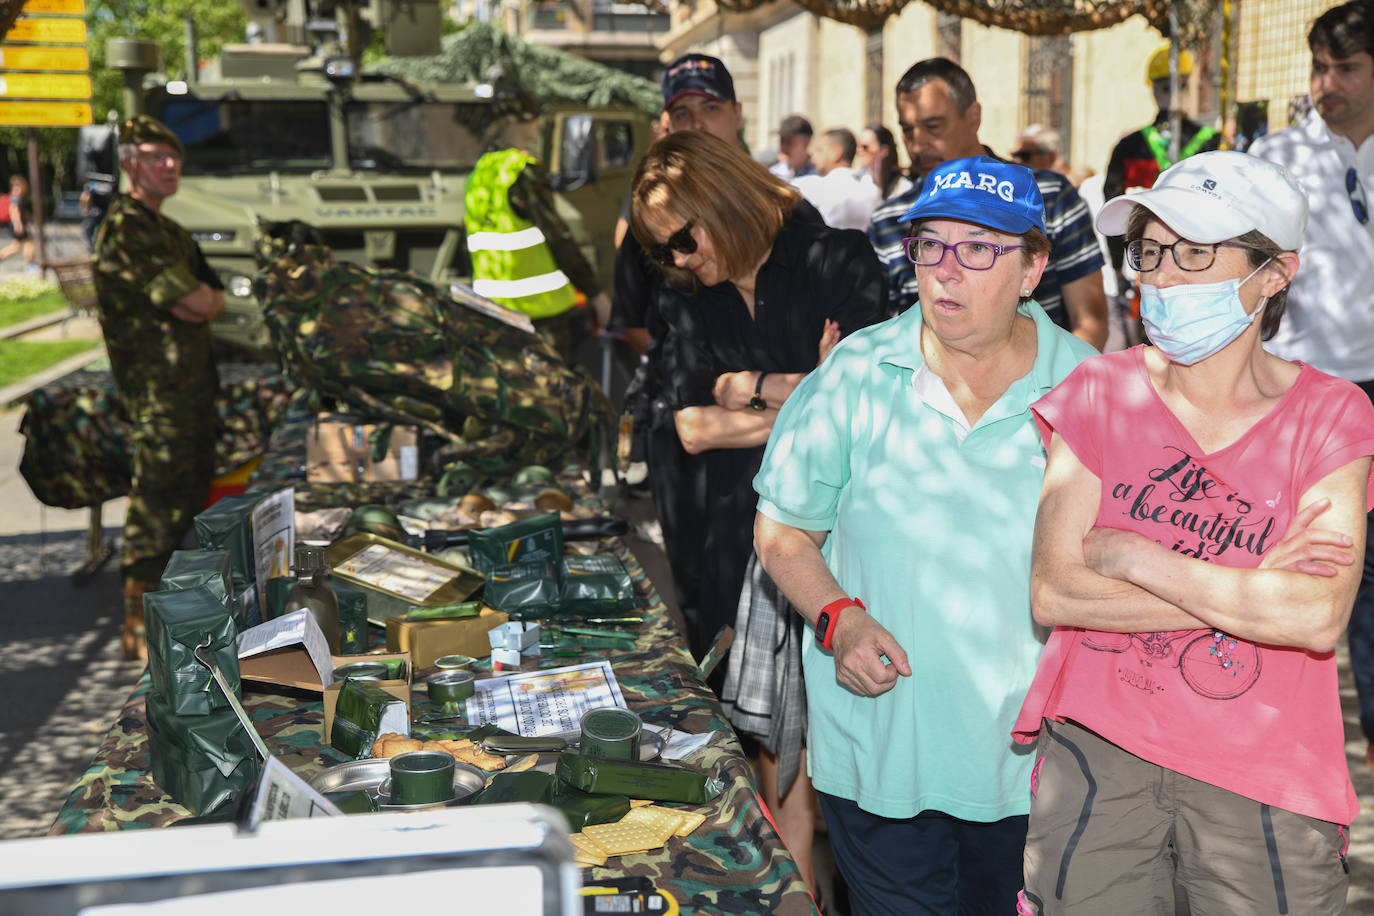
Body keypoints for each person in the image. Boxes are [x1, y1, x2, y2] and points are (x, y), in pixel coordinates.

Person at [1013, 150, 1374, 913]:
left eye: (1196, 252)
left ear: (1275, 272)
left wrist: (1135, 556)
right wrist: (1254, 588)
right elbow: (1053, 590)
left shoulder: (1335, 414)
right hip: (1099, 754)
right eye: (1149, 251)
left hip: (1267, 771)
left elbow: (1315, 616)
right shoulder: (1099, 390)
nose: (1162, 276)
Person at [753, 155, 1097, 914]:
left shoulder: (1088, 386)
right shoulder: (855, 373)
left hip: (1033, 772)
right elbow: (782, 531)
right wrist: (838, 619)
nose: (946, 271)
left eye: (978, 249)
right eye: (930, 246)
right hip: (882, 758)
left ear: (1034, 266)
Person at [629, 129, 885, 904]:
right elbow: (690, 427)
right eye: (659, 249)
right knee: (781, 775)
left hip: (845, 548)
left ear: (721, 201)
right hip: (742, 553)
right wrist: (810, 387)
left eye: (681, 238)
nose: (676, 259)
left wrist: (754, 385)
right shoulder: (689, 299)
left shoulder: (835, 259)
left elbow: (873, 407)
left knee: (858, 772)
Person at [1249, 0, 1374, 769]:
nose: (1326, 84)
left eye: (1347, 68)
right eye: (1319, 67)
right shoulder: (1278, 156)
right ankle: (1279, 754)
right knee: (1304, 567)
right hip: (1306, 398)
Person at [611, 52, 748, 667]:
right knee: (694, 590)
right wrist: (680, 378)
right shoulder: (648, 213)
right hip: (681, 437)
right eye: (682, 111)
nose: (696, 121)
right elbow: (635, 322)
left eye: (709, 109)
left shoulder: (775, 205)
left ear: (737, 115)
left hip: (763, 435)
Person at [93, 116, 226, 661]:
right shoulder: (129, 227)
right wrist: (203, 303)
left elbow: (211, 294)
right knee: (157, 505)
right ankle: (137, 628)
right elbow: (197, 302)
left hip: (188, 389)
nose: (169, 166)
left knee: (187, 499)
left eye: (174, 157)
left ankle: (167, 623)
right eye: (154, 156)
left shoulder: (167, 230)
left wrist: (204, 302)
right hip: (157, 393)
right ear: (129, 163)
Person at [868, 57, 1108, 349]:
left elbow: (1090, 322)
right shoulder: (889, 219)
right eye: (907, 130)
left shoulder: (1051, 196)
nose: (917, 145)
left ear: (973, 117)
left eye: (933, 126)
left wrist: (1054, 388)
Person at [464, 82, 611, 363]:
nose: (538, 122)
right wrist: (597, 295)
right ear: (514, 120)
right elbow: (559, 238)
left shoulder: (480, 172)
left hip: (495, 313)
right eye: (533, 115)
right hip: (541, 317)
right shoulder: (521, 172)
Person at [1102, 42, 1221, 289]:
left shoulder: (1128, 145)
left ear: (1153, 89)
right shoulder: (1214, 143)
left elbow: (1111, 199)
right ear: (1189, 86)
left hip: (1148, 258)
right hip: (1202, 259)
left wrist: (1118, 266)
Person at [791, 127, 882, 230]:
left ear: (835, 153)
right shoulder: (873, 191)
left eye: (819, 150)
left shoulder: (810, 187)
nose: (812, 158)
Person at [855, 123, 912, 202]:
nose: (859, 151)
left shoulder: (903, 186)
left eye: (865, 147)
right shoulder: (858, 181)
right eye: (857, 146)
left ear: (883, 150)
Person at [0, 175, 35, 269]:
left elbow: (21, 211)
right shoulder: (16, 196)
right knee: (28, 243)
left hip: (16, 223)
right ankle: (30, 265)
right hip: (17, 224)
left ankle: (30, 264)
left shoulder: (14, 195)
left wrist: (31, 217)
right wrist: (17, 224)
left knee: (16, 246)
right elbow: (14, 210)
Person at [769, 114, 816, 180]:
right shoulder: (774, 173)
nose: (784, 148)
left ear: (806, 142)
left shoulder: (819, 173)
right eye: (782, 141)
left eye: (789, 142)